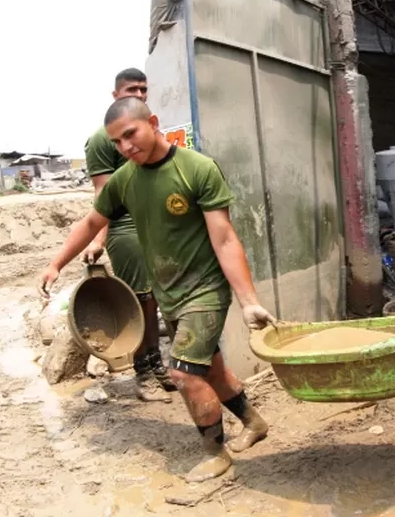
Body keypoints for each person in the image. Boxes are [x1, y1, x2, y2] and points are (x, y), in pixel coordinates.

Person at [39, 97, 275, 482]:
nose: (126, 147)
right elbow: (91, 221)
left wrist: (248, 302)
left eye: (130, 134)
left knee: (182, 374)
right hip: (169, 294)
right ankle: (253, 422)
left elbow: (225, 239)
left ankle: (216, 454)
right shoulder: (125, 179)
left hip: (205, 290)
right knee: (209, 369)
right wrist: (56, 263)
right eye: (117, 142)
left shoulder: (196, 169)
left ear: (152, 122)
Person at [82, 68, 173, 402]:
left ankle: (157, 366)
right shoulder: (101, 141)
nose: (139, 93)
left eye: (144, 88)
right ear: (115, 95)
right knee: (140, 302)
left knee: (157, 300)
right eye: (131, 89)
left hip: (155, 227)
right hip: (126, 228)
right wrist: (98, 239)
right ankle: (143, 373)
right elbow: (103, 196)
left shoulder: (148, 133)